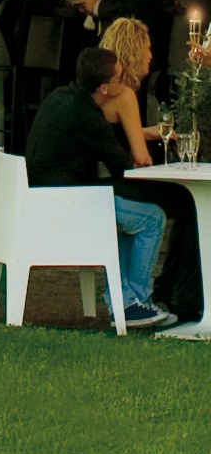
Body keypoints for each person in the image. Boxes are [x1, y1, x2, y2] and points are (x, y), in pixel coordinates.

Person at [25, 47, 172, 328]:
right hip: (64, 205)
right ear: (105, 88)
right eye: (119, 79)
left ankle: (126, 302)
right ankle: (134, 303)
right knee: (153, 218)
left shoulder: (59, 97)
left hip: (42, 197)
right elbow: (124, 169)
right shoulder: (88, 117)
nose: (124, 84)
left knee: (133, 217)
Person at [100, 18, 203, 322]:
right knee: (190, 202)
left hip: (104, 180)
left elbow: (118, 134)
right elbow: (142, 159)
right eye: (146, 49)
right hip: (119, 183)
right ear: (133, 51)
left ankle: (169, 290)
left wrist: (149, 132)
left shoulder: (105, 90)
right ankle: (182, 294)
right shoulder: (125, 95)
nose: (150, 56)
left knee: (185, 203)